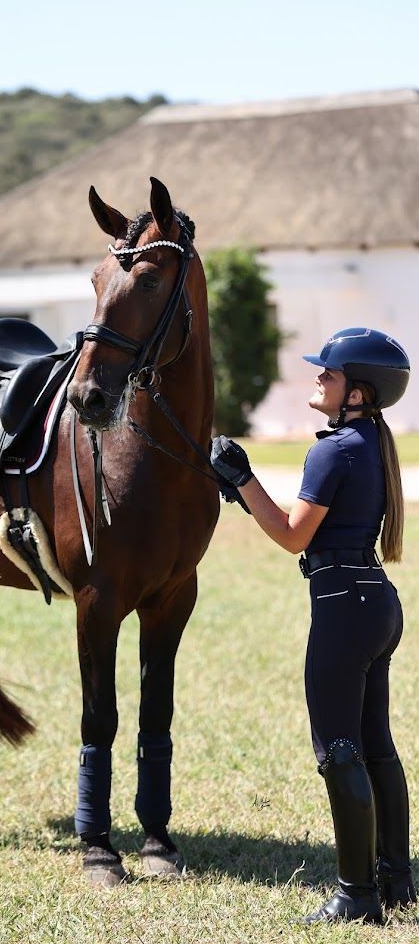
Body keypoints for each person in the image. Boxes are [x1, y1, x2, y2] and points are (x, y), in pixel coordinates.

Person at [210, 327, 415, 924]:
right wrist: (244, 489)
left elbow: (292, 535)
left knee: (339, 748)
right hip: (376, 600)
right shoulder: (369, 442)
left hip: (343, 605)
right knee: (376, 745)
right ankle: (396, 882)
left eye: (329, 372)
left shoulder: (333, 449)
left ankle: (357, 896)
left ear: (360, 391)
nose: (319, 378)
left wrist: (244, 478)